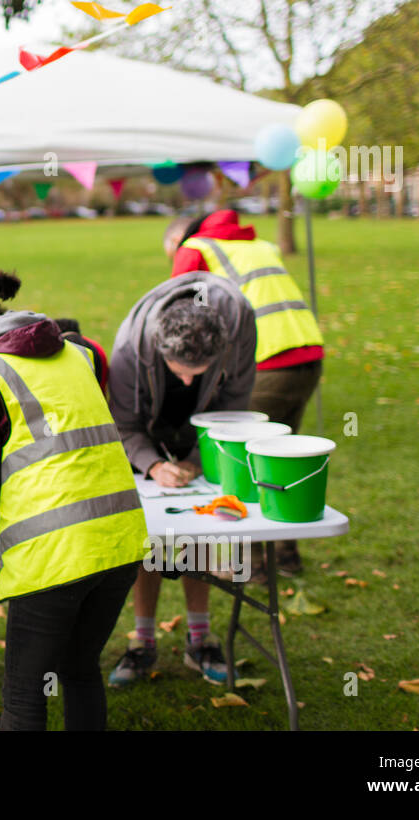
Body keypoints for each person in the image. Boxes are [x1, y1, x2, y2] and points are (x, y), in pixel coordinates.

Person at [0, 270, 147, 730]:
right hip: (122, 543)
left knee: (26, 693)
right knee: (79, 668)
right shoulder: (74, 352)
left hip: (55, 554)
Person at [107, 272, 257, 687]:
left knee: (202, 529)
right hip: (147, 433)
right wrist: (154, 465)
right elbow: (123, 422)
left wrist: (195, 459)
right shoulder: (130, 348)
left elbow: (236, 404)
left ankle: (200, 638)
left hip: (206, 431)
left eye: (200, 373)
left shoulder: (239, 323)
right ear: (159, 352)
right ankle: (142, 641)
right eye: (181, 373)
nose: (188, 381)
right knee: (150, 533)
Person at [165, 211, 324, 579]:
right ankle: (285, 555)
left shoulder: (195, 249)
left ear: (178, 241)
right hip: (307, 355)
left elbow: (177, 315)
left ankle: (252, 564)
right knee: (279, 460)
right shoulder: (255, 244)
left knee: (245, 464)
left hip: (267, 362)